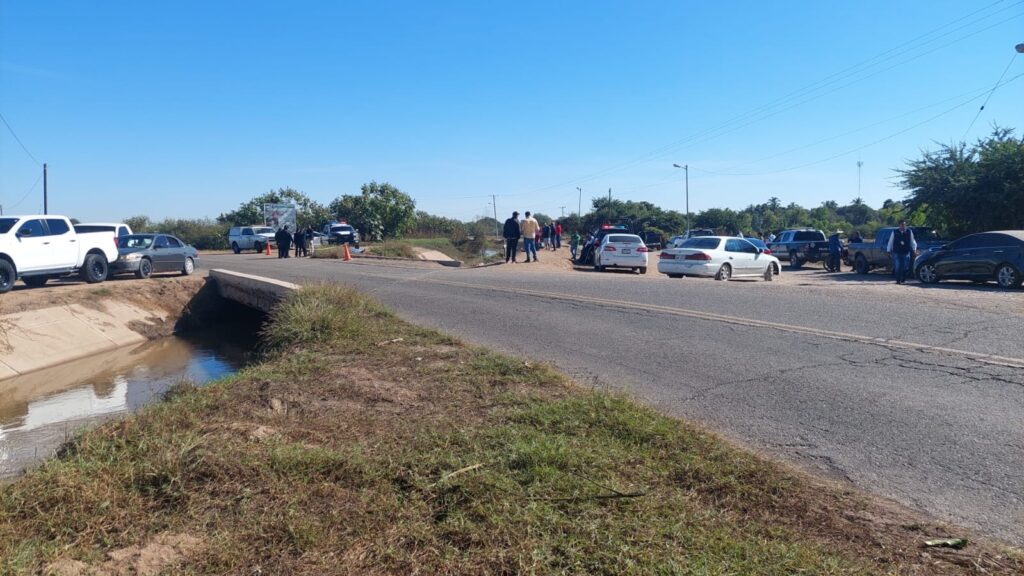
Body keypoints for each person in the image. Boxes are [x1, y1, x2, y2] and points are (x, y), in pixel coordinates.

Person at [886, 220, 917, 284]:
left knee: (905, 266)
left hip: (906, 251)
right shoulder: (895, 232)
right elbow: (890, 242)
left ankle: (903, 278)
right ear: (899, 225)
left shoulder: (909, 231)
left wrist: (914, 249)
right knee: (898, 266)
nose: (903, 226)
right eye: (902, 224)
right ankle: (898, 280)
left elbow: (912, 241)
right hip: (897, 251)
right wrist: (888, 250)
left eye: (904, 224)